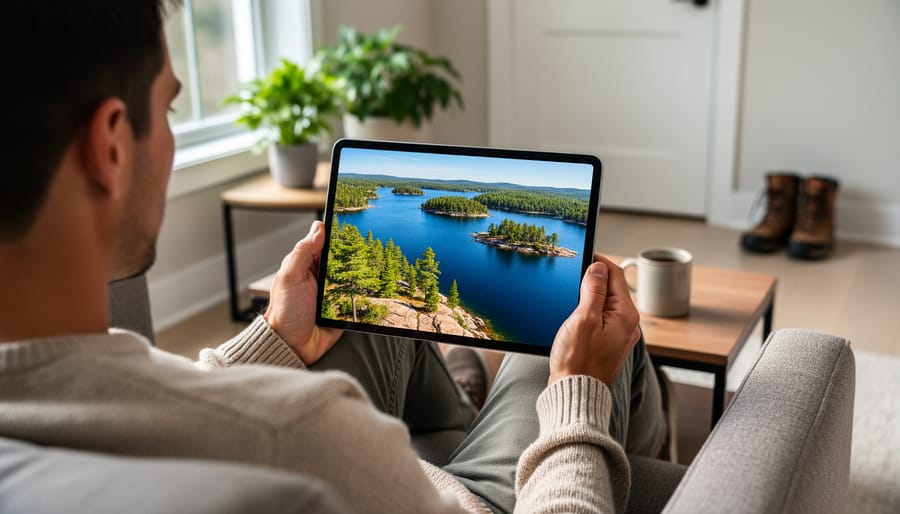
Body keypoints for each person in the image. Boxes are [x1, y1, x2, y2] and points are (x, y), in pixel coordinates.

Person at [0, 1, 665, 513]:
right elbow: (245, 427)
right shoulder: (300, 434)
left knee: (367, 321)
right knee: (575, 330)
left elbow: (149, 409)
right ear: (111, 146)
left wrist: (272, 341)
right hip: (464, 497)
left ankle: (466, 406)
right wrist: (580, 394)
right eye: (170, 108)